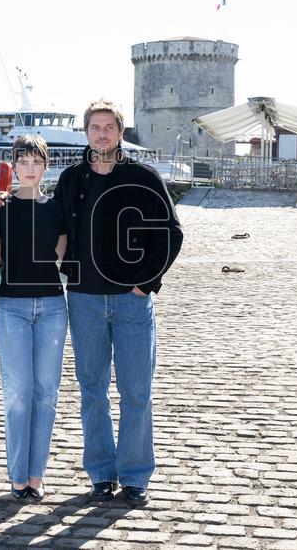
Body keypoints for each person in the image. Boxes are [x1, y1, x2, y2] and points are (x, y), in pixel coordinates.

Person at [55, 100, 183, 507]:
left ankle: (134, 476)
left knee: (136, 391)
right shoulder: (72, 179)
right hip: (84, 300)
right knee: (92, 390)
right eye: (95, 127)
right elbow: (51, 226)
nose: (102, 133)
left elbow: (171, 233)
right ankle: (100, 473)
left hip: (132, 302)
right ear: (87, 133)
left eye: (109, 127)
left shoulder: (143, 177)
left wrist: (146, 283)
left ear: (120, 132)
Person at [0, 135, 68, 501]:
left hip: (53, 307)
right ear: (13, 166)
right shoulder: (0, 209)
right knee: (19, 393)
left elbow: (61, 256)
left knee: (46, 393)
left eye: (37, 161)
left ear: (46, 166)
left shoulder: (57, 209)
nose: (30, 168)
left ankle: (37, 474)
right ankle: (17, 474)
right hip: (12, 308)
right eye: (23, 161)